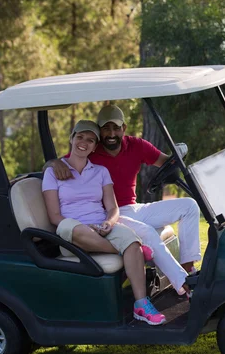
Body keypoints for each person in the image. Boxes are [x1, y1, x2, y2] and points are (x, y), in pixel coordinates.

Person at [50, 105, 201, 293]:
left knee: (189, 206)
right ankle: (186, 286)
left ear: (124, 128)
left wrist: (175, 166)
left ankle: (189, 269)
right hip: (109, 213)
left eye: (116, 128)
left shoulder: (137, 145)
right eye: (106, 128)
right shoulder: (91, 150)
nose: (111, 133)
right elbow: (62, 163)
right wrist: (53, 162)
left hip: (134, 208)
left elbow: (166, 162)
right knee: (147, 233)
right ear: (99, 130)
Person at [42, 120, 166, 325]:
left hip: (101, 227)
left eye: (91, 140)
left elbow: (112, 208)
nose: (84, 143)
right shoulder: (54, 171)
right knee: (122, 244)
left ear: (94, 146)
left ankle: (141, 305)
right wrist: (88, 228)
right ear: (71, 138)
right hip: (71, 233)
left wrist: (109, 222)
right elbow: (55, 216)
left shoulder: (100, 172)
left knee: (130, 239)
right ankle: (125, 250)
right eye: (80, 137)